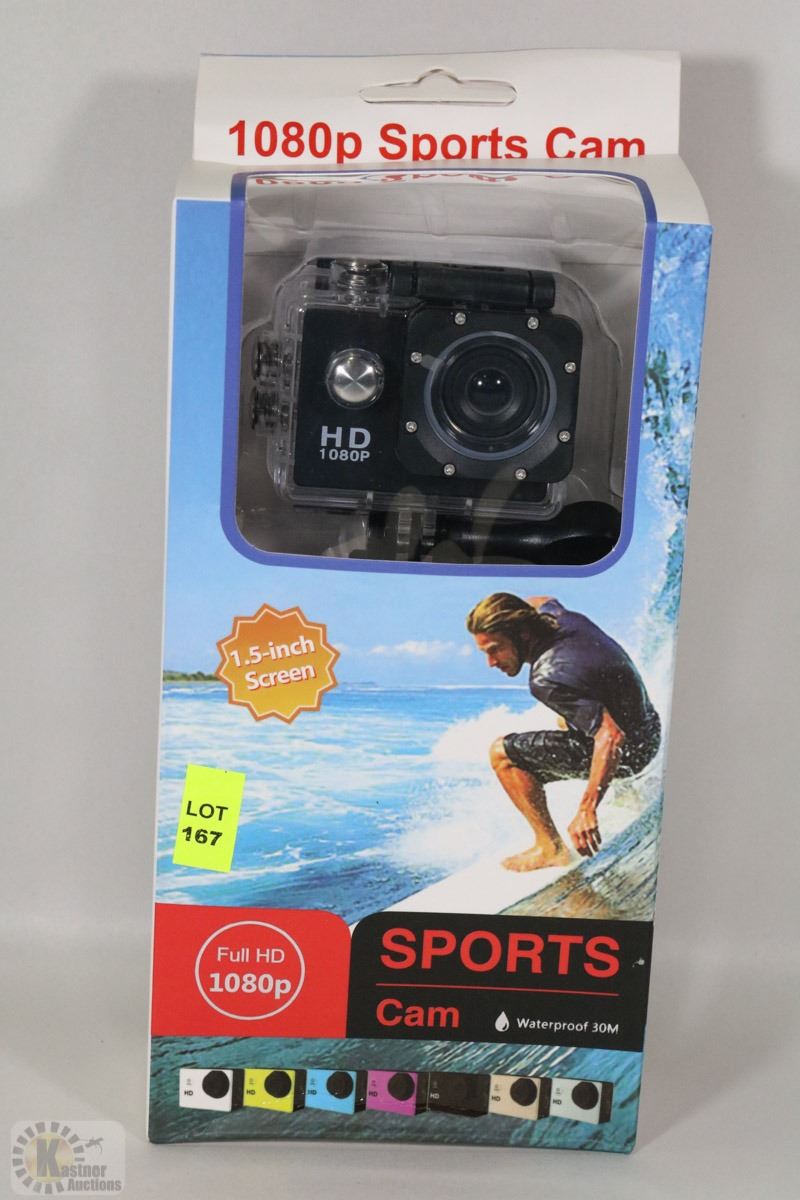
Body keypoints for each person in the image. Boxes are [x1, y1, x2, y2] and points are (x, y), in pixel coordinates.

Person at [466, 593, 660, 871]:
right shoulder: (559, 617)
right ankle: (625, 790)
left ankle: (550, 848)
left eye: (495, 649)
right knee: (568, 714)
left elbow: (611, 736)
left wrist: (586, 809)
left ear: (522, 633)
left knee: (501, 754)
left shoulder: (547, 679)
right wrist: (503, 609)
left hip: (631, 754)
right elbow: (541, 598)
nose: (491, 662)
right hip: (649, 730)